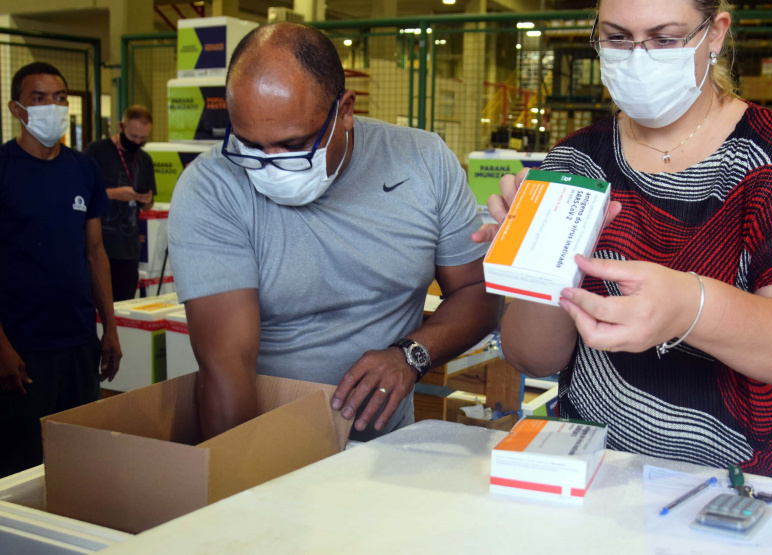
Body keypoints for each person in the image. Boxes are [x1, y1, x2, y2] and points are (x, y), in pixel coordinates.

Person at [473, 0, 772, 482]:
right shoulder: (576, 164)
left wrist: (689, 308)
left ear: (716, 33)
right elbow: (532, 357)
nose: (638, 59)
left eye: (665, 40)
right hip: (592, 469)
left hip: (742, 483)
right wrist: (535, 260)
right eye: (617, 38)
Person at [168, 23, 501, 441]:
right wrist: (241, 482)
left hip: (386, 447)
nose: (269, 165)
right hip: (266, 440)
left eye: (293, 146)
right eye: (250, 146)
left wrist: (411, 355)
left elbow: (478, 292)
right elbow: (225, 366)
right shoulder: (212, 187)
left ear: (345, 110)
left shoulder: (422, 162)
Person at [0, 62, 122, 478]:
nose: (52, 106)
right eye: (39, 98)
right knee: (21, 464)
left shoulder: (82, 168)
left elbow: (95, 252)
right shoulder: (3, 168)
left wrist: (111, 327)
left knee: (77, 456)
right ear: (17, 109)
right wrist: (1, 346)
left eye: (59, 98)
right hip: (22, 345)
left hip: (78, 340)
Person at [85, 105, 156, 301]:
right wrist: (114, 194)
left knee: (123, 307)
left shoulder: (145, 159)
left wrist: (146, 200)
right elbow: (82, 194)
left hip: (129, 249)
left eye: (142, 139)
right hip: (99, 246)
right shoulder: (97, 151)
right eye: (133, 137)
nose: (137, 142)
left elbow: (149, 204)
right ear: (120, 127)